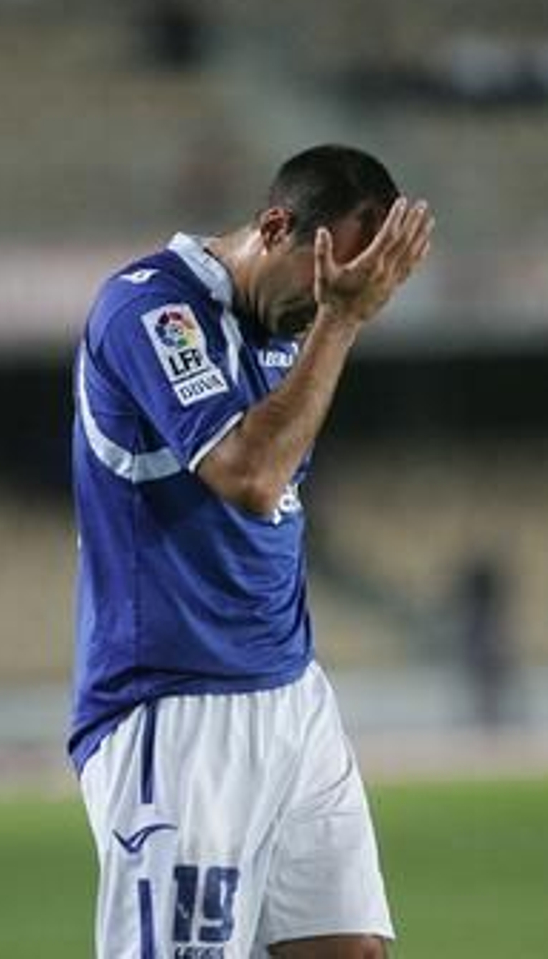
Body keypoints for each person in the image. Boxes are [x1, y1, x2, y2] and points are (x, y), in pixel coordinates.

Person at [70, 144, 434, 957]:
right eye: (330, 274)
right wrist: (343, 319)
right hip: (175, 703)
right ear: (275, 226)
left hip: (290, 692)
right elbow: (251, 476)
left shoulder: (286, 319)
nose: (335, 296)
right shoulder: (146, 309)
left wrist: (332, 315)